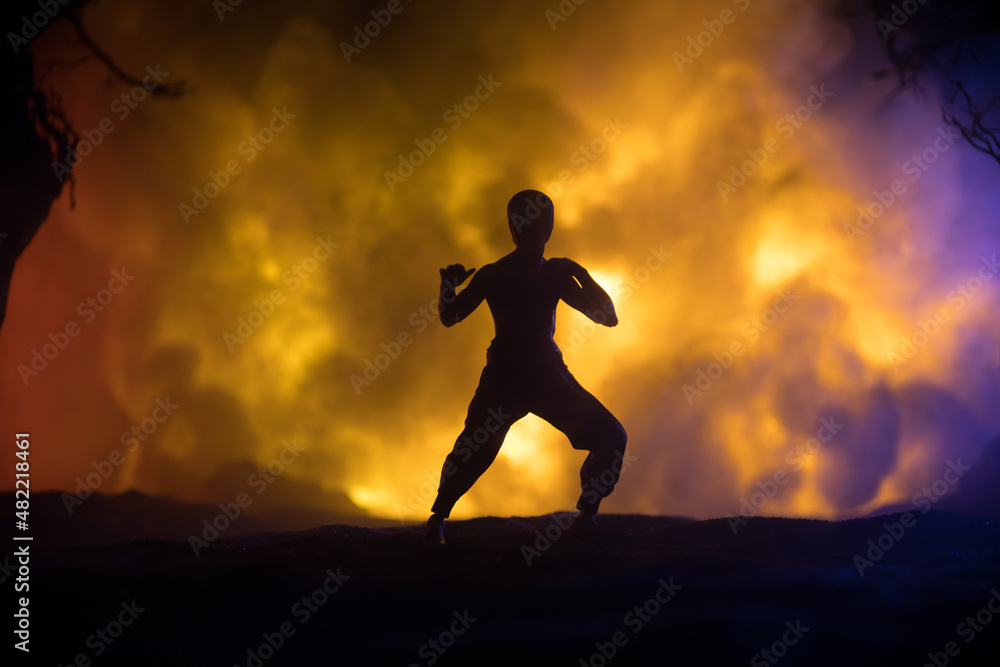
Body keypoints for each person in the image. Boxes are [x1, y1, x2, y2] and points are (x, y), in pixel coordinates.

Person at [424, 189, 628, 545]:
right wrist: (447, 287)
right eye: (527, 224)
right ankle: (437, 518)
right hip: (514, 375)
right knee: (473, 448)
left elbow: (608, 318)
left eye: (537, 224)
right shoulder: (505, 274)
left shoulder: (543, 275)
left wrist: (579, 272)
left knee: (611, 436)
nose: (531, 231)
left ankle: (586, 517)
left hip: (541, 374)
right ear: (516, 229)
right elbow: (452, 316)